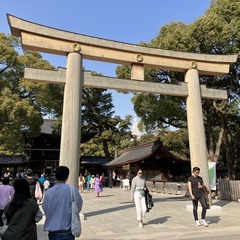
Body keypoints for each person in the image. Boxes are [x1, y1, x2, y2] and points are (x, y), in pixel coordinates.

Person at [42, 166, 83, 240]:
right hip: (68, 230)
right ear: (67, 177)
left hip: (53, 231)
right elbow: (78, 206)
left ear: (55, 176)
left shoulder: (49, 192)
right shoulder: (72, 190)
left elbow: (45, 208)